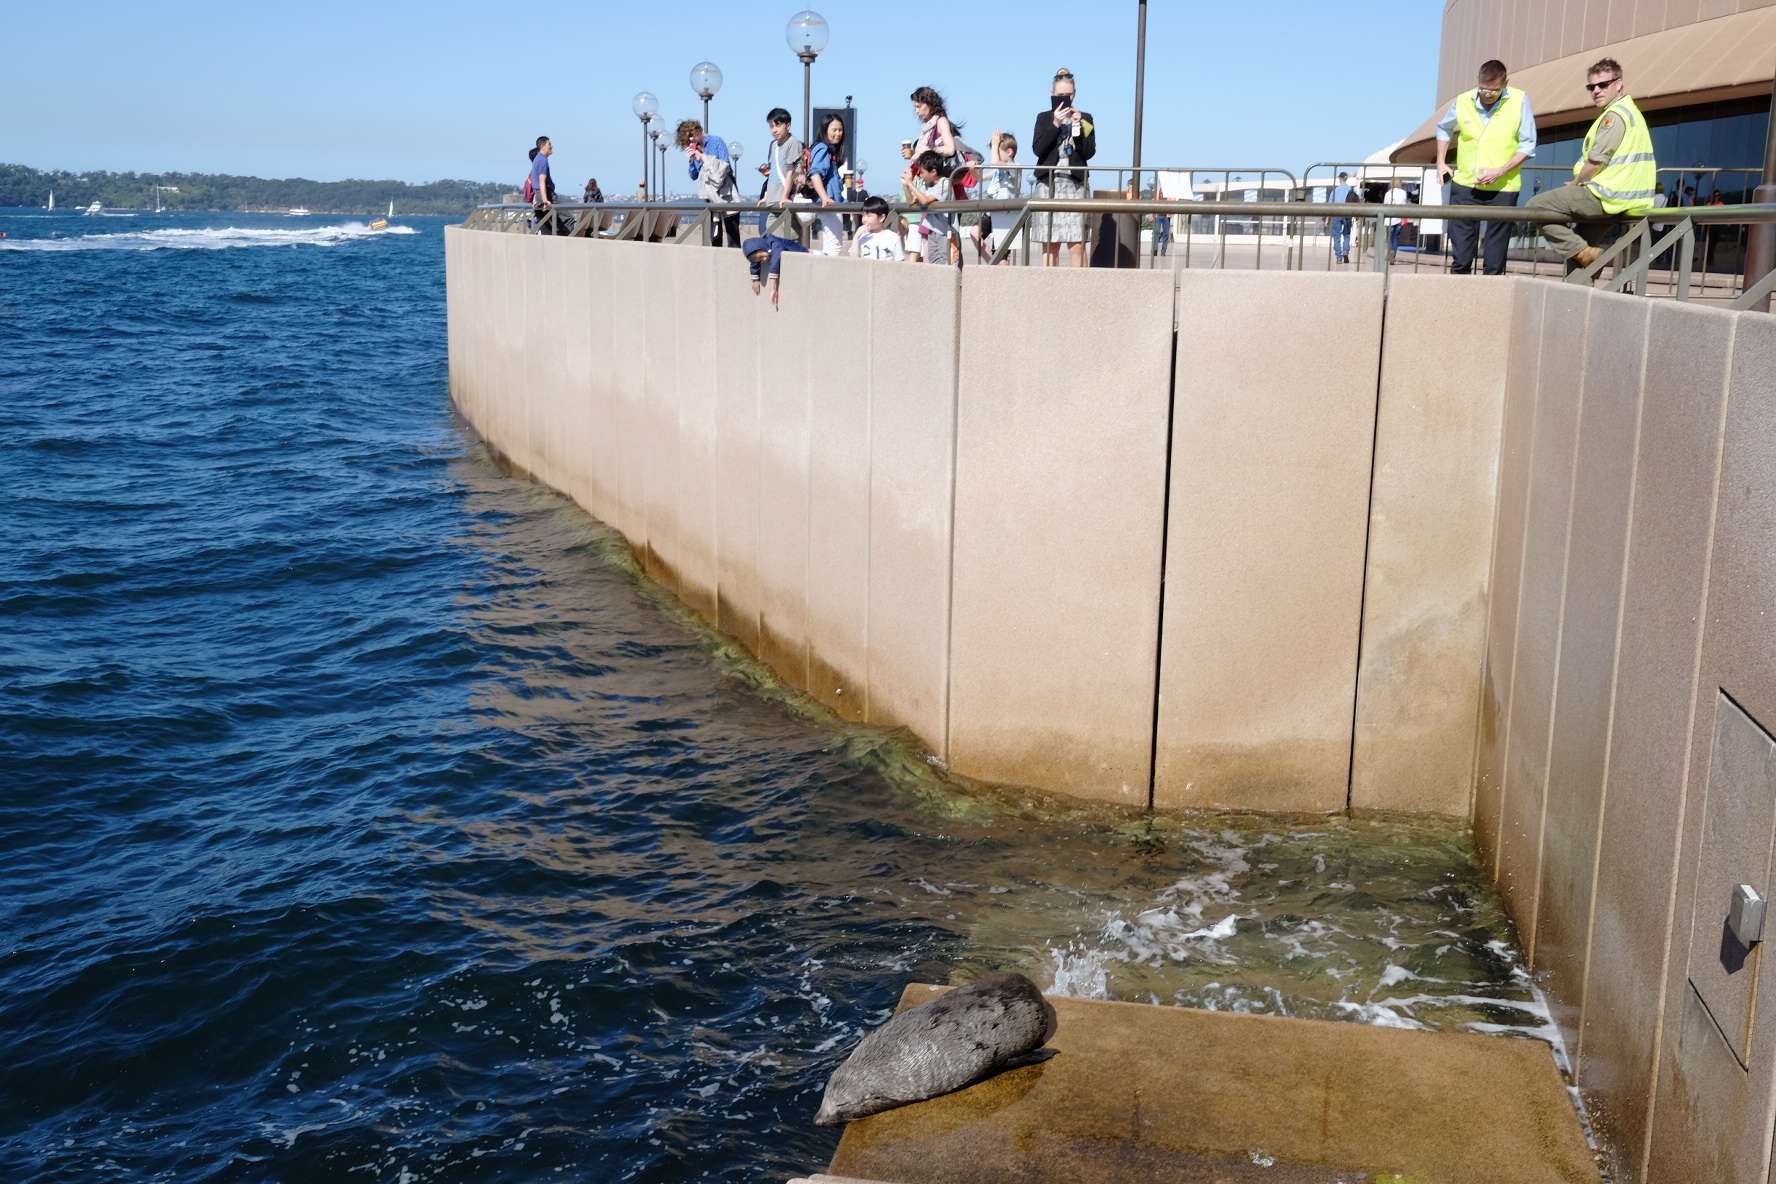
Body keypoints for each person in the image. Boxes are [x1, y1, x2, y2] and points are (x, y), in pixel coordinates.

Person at [1525, 58, 1656, 271]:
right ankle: (1583, 268)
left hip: (1608, 195)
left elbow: (1595, 162)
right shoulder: (1629, 112)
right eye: (1591, 86)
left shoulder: (1614, 116)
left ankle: (1584, 253)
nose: (1596, 90)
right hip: (1624, 199)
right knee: (1580, 258)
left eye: (1603, 85)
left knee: (1536, 206)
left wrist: (1575, 184)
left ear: (1618, 84)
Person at [1434, 60, 1537, 276]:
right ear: (1478, 83)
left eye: (1494, 91)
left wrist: (1501, 171)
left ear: (1505, 84)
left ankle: (1492, 304)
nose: (1487, 95)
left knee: (1494, 261)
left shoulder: (1519, 100)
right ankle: (1458, 302)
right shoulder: (1463, 101)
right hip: (1465, 185)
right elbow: (1444, 129)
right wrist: (1441, 161)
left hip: (1503, 187)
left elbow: (1527, 145)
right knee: (1461, 256)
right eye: (1483, 89)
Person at [1031, 68, 1095, 268]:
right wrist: (1055, 123)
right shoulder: (1043, 118)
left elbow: (1089, 152)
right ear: (1052, 95)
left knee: (1077, 244)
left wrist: (1078, 127)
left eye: (1068, 95)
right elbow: (1038, 148)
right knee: (1050, 245)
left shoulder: (1085, 118)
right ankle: (1049, 290)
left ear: (1074, 94)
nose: (1064, 99)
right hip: (1048, 184)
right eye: (1060, 96)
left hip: (1075, 184)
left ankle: (1080, 291)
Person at [676, 119, 742, 249]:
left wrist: (702, 156)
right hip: (709, 196)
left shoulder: (716, 141)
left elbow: (724, 165)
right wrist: (691, 161)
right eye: (687, 142)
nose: (691, 143)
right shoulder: (693, 150)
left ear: (698, 132)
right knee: (714, 236)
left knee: (733, 234)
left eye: (692, 139)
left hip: (726, 192)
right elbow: (693, 176)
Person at [903, 150, 959, 266]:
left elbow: (925, 200)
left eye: (922, 172)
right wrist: (906, 185)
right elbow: (912, 201)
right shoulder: (926, 184)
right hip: (933, 232)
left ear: (933, 172)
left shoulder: (945, 184)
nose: (920, 175)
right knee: (934, 266)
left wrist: (910, 184)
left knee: (950, 266)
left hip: (947, 234)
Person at [974, 130, 1020, 263]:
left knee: (1001, 253)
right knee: (974, 233)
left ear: (1009, 152)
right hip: (992, 212)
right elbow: (980, 178)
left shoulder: (1015, 167)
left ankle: (999, 265)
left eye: (997, 151)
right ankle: (992, 262)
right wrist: (973, 169)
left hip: (1007, 214)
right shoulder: (996, 170)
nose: (994, 154)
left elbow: (995, 162)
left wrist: (995, 144)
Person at [807, 113, 849, 256]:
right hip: (829, 202)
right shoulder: (823, 148)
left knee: (831, 245)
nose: (838, 133)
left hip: (830, 201)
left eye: (840, 130)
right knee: (834, 246)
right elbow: (815, 173)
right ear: (825, 130)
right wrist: (824, 197)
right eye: (834, 130)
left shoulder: (826, 149)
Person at [741, 233, 807, 307]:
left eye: (762, 256)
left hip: (804, 254)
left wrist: (773, 288)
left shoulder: (774, 244)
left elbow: (775, 262)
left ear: (762, 247)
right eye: (760, 260)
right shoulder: (762, 245)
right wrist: (755, 279)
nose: (764, 259)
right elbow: (754, 262)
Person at [850, 195, 906, 261]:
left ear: (881, 218)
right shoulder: (862, 236)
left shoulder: (893, 237)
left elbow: (899, 261)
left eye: (869, 216)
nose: (864, 219)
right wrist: (856, 237)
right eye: (863, 215)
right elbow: (853, 260)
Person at [526, 135, 558, 234]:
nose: (551, 146)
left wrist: (536, 198)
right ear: (543, 145)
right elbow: (541, 182)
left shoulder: (537, 161)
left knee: (546, 224)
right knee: (565, 214)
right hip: (546, 197)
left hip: (539, 197)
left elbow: (535, 184)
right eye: (549, 144)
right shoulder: (542, 160)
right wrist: (545, 201)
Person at [1325, 171, 1355, 264]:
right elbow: (1354, 203)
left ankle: (1339, 257)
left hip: (1336, 213)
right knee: (1346, 234)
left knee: (1337, 235)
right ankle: (1345, 252)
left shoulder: (1335, 191)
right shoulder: (1351, 190)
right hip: (1347, 214)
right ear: (1346, 179)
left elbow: (1330, 205)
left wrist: (1327, 219)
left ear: (1340, 179)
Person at [1382, 181, 1411, 262]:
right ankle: (1393, 254)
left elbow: (1385, 204)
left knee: (1389, 238)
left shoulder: (1388, 193)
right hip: (1399, 217)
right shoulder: (1403, 193)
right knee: (1396, 238)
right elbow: (1404, 205)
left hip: (1389, 219)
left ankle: (1390, 252)